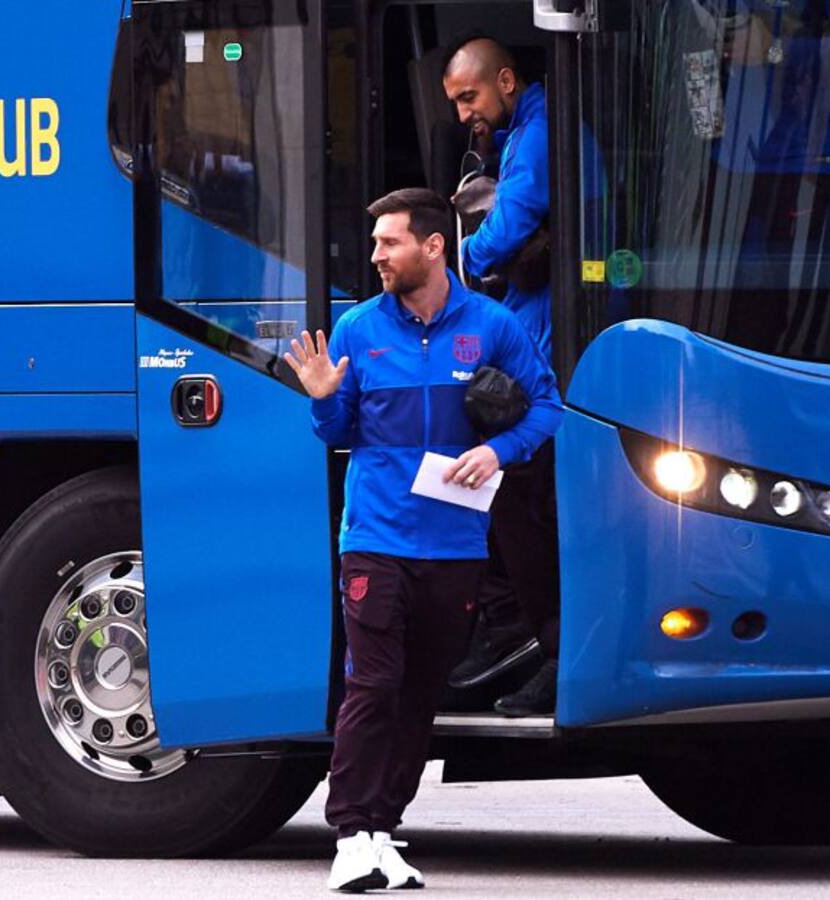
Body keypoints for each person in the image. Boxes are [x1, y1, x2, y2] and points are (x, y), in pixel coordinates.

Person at [284, 188, 561, 892]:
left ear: (433, 247)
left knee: (419, 694)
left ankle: (382, 829)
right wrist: (322, 397)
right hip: (376, 539)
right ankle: (350, 833)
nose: (376, 255)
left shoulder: (493, 325)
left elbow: (546, 406)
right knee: (373, 683)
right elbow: (338, 432)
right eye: (376, 242)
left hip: (457, 545)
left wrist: (497, 451)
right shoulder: (357, 329)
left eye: (390, 242)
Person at [442, 37, 563, 716]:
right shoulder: (524, 131)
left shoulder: (538, 135)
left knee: (521, 510)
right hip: (530, 339)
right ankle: (515, 627)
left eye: (470, 97)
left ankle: (544, 644)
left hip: (540, 352)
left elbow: (511, 223)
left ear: (507, 81)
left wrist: (458, 264)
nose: (464, 115)